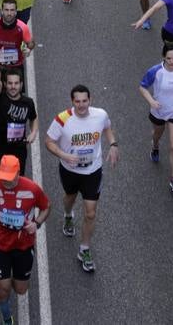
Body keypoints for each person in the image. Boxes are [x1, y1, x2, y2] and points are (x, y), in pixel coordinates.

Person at [45, 84, 119, 273]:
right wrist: (63, 155)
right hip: (69, 170)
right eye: (77, 101)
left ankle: (84, 249)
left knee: (91, 213)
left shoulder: (100, 115)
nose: (81, 105)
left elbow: (108, 129)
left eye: (84, 101)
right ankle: (68, 216)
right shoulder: (62, 119)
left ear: (90, 100)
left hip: (93, 171)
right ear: (72, 102)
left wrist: (113, 144)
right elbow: (48, 142)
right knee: (70, 197)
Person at [0, 154, 51, 325]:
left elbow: (46, 207)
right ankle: (7, 318)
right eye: (3, 178)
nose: (6, 183)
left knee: (20, 290)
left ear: (18, 173)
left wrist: (37, 223)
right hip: (0, 244)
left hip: (23, 245)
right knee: (3, 290)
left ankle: (8, 278)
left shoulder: (32, 189)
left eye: (10, 179)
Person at [139, 43, 173, 194]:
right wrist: (151, 102)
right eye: (169, 58)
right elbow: (142, 87)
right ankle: (155, 146)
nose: (172, 61)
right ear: (163, 57)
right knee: (158, 134)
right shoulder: (156, 71)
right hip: (159, 111)